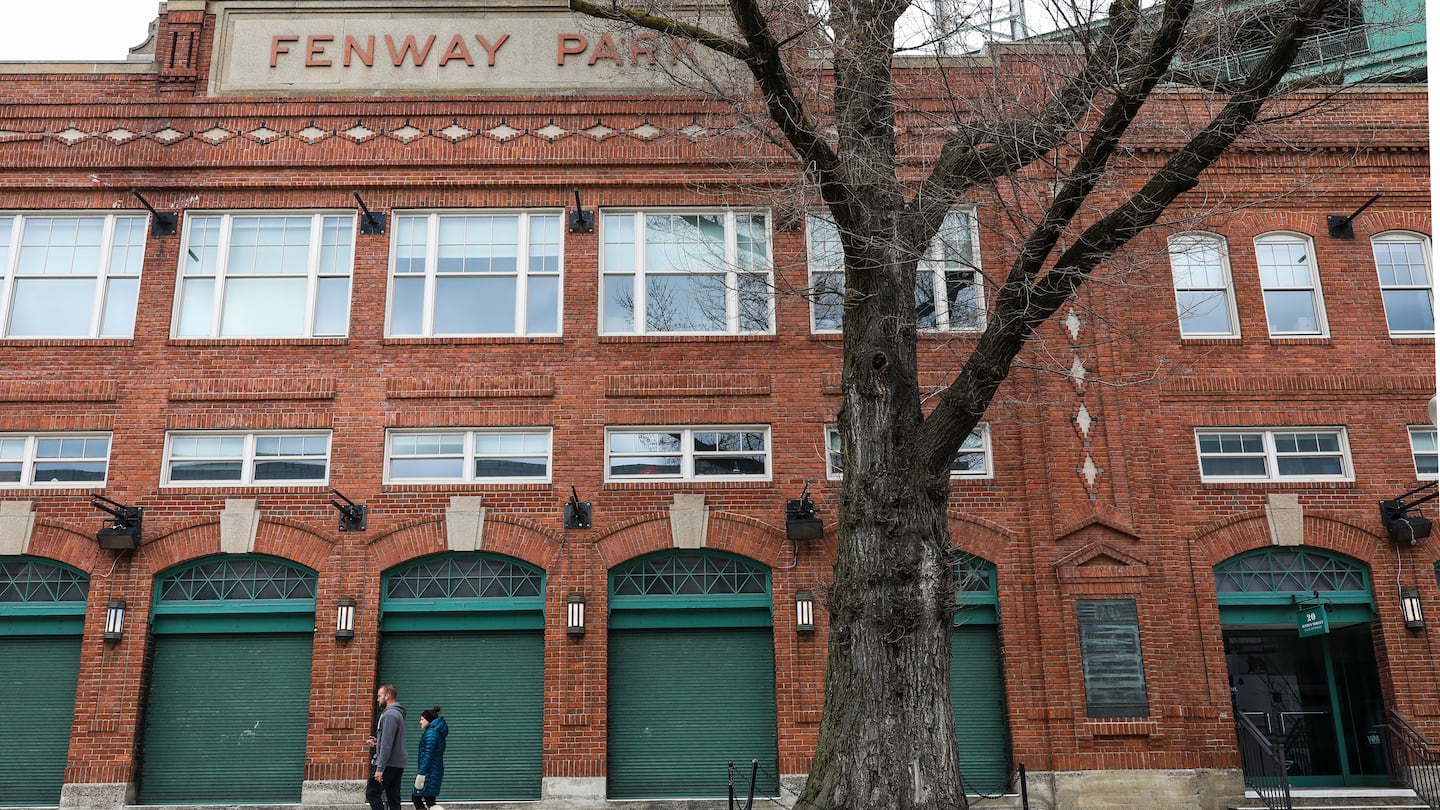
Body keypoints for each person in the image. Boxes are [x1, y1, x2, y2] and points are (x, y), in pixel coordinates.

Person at [365, 684, 407, 810]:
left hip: (387, 763)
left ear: (387, 696)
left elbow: (388, 744)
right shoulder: (397, 713)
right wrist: (378, 742)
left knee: (372, 793)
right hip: (396, 762)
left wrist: (380, 768)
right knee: (393, 797)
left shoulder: (390, 714)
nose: (378, 699)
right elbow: (390, 740)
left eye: (379, 696)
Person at [411, 706, 448, 809]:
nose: (420, 722)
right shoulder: (435, 732)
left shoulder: (431, 734)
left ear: (429, 720)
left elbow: (428, 755)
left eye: (422, 719)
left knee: (418, 798)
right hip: (433, 770)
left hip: (429, 772)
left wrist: (422, 773)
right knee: (428, 799)